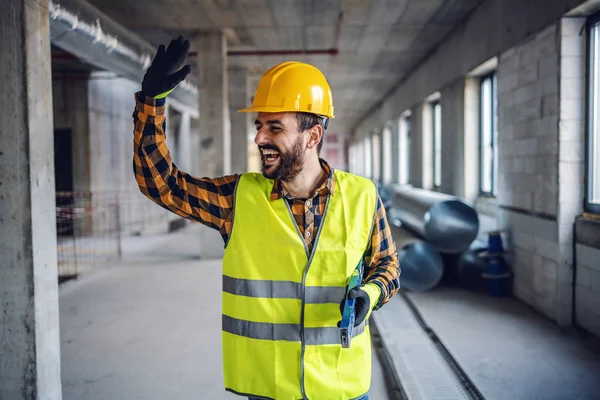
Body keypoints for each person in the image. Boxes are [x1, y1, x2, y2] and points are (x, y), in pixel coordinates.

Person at [133, 35, 401, 400]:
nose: (259, 137)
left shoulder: (363, 196)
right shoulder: (237, 198)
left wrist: (369, 294)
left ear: (313, 136)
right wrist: (152, 103)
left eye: (274, 127)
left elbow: (387, 265)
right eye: (259, 125)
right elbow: (162, 185)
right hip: (269, 387)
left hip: (343, 387)